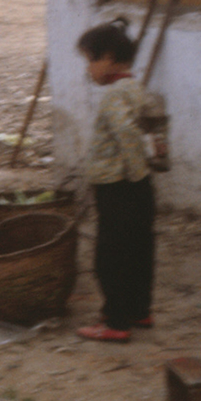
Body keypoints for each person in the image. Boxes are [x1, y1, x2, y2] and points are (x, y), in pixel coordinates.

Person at [75, 18, 158, 343]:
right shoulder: (138, 90)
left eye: (90, 60)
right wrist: (143, 178)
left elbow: (128, 135)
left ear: (109, 58)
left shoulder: (114, 97)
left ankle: (115, 320)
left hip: (119, 188)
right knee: (139, 251)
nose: (89, 69)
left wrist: (136, 176)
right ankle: (139, 310)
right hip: (138, 188)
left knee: (111, 257)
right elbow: (149, 133)